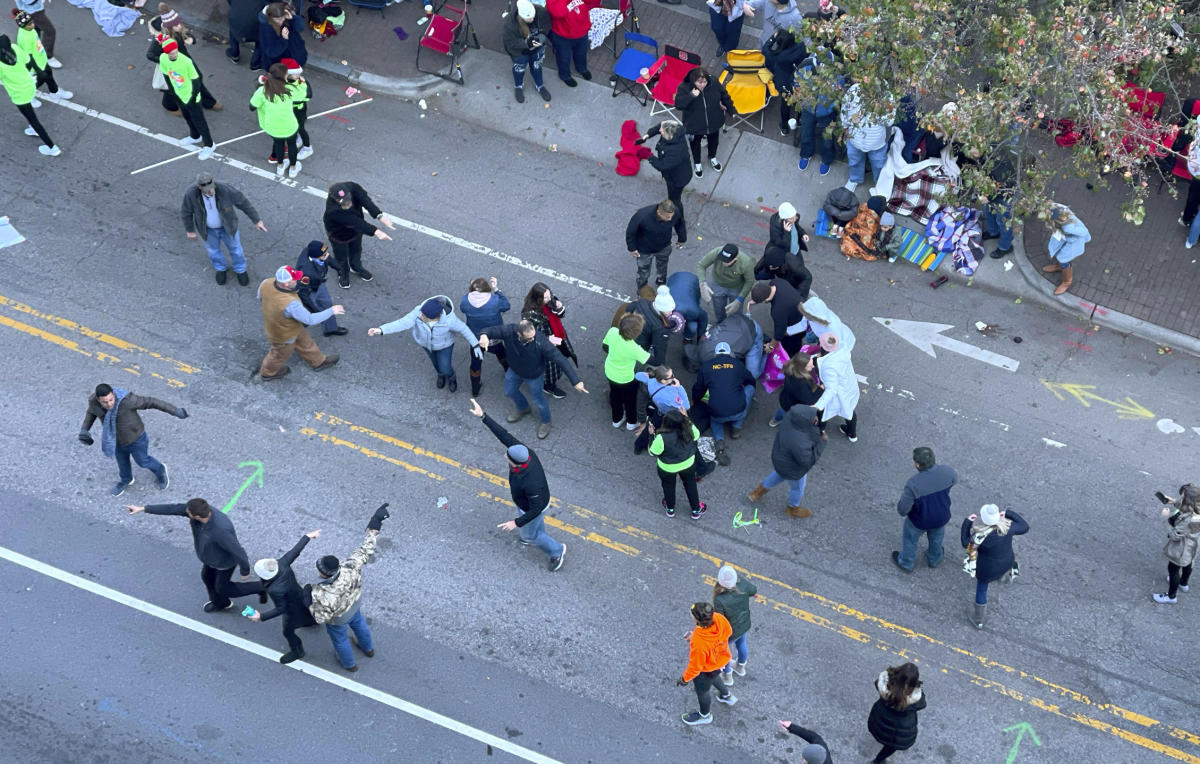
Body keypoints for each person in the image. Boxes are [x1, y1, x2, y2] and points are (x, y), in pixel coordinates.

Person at [469, 398, 566, 570]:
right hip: (528, 502)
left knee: (531, 535)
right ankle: (533, 532)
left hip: (533, 506)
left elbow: (535, 509)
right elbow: (504, 435)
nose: (505, 455)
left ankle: (557, 551)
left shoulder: (531, 482)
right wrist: (483, 416)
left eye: (507, 456)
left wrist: (516, 522)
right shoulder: (524, 452)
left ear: (515, 463)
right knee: (534, 527)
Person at [125, 498, 266, 612]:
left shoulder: (220, 530)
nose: (185, 512)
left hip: (223, 563)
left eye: (188, 512)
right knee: (206, 577)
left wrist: (245, 570)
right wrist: (144, 508)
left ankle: (262, 587)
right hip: (210, 558)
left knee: (224, 588)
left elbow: (238, 551)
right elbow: (172, 508)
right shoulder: (199, 512)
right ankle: (220, 603)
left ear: (197, 516)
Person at [307, 504, 389, 672]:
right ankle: (368, 648)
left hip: (339, 618)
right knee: (360, 624)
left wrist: (308, 600)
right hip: (355, 604)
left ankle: (349, 664)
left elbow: (320, 618)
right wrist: (376, 522)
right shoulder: (350, 567)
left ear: (322, 572)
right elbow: (366, 548)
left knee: (340, 639)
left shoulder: (321, 593)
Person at [478, 320, 587, 439]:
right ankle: (523, 408)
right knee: (509, 391)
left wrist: (575, 381)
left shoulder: (540, 341)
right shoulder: (509, 331)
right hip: (515, 370)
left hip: (534, 375)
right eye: (529, 338)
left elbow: (560, 359)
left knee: (538, 400)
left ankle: (546, 422)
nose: (533, 339)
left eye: (533, 336)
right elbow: (490, 330)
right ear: (518, 334)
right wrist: (484, 336)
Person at [79, 383, 187, 496]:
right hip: (115, 439)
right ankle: (126, 480)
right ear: (98, 399)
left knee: (143, 461)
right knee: (122, 462)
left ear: (113, 394)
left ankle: (160, 470)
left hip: (136, 438)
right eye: (104, 402)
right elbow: (91, 413)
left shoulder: (127, 401)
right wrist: (84, 429)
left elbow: (151, 402)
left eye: (111, 400)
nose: (109, 404)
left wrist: (175, 411)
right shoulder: (93, 402)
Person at [367, 296, 480, 393]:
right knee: (436, 364)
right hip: (426, 344)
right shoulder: (419, 311)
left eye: (423, 317)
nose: (420, 316)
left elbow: (464, 329)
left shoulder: (449, 321)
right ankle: (440, 375)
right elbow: (402, 322)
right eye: (421, 314)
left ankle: (451, 377)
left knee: (445, 367)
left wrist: (475, 344)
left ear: (435, 318)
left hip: (444, 346)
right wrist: (381, 330)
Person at [247, 529, 321, 664]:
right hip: (301, 596)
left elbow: (281, 608)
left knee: (287, 632)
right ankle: (314, 621)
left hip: (292, 609)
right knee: (308, 612)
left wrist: (261, 617)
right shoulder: (281, 564)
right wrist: (307, 536)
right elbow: (294, 552)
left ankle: (298, 651)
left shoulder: (276, 590)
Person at [257, 265, 342, 380]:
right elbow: (310, 319)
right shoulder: (291, 303)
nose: (297, 279)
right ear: (286, 284)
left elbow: (260, 297)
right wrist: (331, 311)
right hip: (282, 335)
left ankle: (318, 361)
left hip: (288, 326)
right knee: (278, 355)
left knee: (305, 342)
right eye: (294, 278)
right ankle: (268, 373)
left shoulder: (266, 283)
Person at [181, 173, 266, 286]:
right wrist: (190, 230)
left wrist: (256, 220)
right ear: (199, 187)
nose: (210, 191)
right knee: (213, 251)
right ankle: (220, 269)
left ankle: (240, 270)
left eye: (211, 188)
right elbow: (186, 212)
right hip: (208, 230)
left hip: (228, 227)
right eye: (206, 189)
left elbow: (243, 203)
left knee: (236, 250)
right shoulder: (191, 194)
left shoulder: (225, 189)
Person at [748, 404, 824, 517]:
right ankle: (793, 508)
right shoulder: (800, 441)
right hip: (794, 469)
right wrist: (822, 443)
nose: (816, 419)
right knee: (798, 488)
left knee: (779, 473)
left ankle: (756, 493)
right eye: (813, 417)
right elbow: (807, 461)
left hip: (781, 459)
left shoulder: (790, 420)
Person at [961, 503, 1029, 628]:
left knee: (982, 589)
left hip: (987, 569)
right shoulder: (1008, 528)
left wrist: (967, 524)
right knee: (1004, 569)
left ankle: (979, 620)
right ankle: (1005, 577)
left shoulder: (980, 536)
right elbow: (1025, 527)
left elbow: (966, 543)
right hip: (1007, 561)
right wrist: (1008, 513)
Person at [893, 447, 957, 573]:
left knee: (910, 539)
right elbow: (954, 481)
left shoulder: (913, 484)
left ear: (917, 464)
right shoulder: (948, 472)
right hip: (941, 516)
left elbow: (903, 510)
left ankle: (906, 562)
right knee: (936, 538)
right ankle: (934, 558)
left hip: (919, 520)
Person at [692, 341, 755, 466]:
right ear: (730, 353)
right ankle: (736, 427)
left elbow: (698, 389)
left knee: (715, 420)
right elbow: (750, 380)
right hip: (738, 409)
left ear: (715, 354)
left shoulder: (706, 367)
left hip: (717, 412)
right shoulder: (737, 364)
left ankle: (719, 442)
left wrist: (696, 401)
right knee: (749, 388)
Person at [322, 181, 395, 288]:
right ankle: (343, 272)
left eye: (348, 199)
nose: (347, 202)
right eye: (343, 201)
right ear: (335, 199)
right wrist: (376, 231)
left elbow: (365, 200)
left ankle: (355, 266)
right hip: (338, 234)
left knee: (356, 250)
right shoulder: (333, 210)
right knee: (341, 255)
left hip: (355, 231)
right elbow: (355, 222)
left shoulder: (352, 187)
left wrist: (379, 216)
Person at [150, 6, 220, 113]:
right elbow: (150, 55)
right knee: (173, 88)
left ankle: (208, 102)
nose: (180, 25)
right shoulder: (161, 40)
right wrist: (166, 60)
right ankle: (169, 106)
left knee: (196, 79)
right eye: (177, 24)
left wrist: (191, 39)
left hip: (186, 62)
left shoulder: (178, 31)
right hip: (173, 67)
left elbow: (188, 36)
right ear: (170, 27)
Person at [677, 602, 736, 726]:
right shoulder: (719, 618)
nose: (690, 614)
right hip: (722, 660)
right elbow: (729, 632)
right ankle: (726, 695)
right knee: (715, 677)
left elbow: (695, 666)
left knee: (703, 692)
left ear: (697, 619)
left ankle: (705, 715)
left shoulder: (699, 642)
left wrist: (684, 679)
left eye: (692, 614)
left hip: (707, 669)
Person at [0, 33, 59, 155]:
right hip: (30, 84)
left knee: (32, 119)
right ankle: (34, 129)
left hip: (19, 94)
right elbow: (28, 61)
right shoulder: (15, 48)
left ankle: (52, 147)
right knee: (32, 116)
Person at [159, 37, 215, 160]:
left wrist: (193, 97)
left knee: (200, 121)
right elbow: (167, 76)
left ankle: (209, 144)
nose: (174, 54)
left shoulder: (186, 62)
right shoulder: (163, 59)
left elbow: (196, 80)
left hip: (191, 97)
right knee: (188, 117)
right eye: (171, 53)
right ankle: (195, 136)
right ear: (166, 53)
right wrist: (173, 93)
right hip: (179, 95)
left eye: (175, 51)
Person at [675, 67, 735, 178]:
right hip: (694, 125)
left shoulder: (714, 83)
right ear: (693, 81)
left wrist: (731, 109)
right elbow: (678, 104)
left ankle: (712, 157)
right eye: (699, 82)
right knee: (695, 144)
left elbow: (724, 95)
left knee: (714, 141)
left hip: (713, 122)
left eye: (704, 82)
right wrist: (691, 96)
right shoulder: (684, 87)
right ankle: (697, 163)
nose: (702, 85)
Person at [522, 283, 578, 399]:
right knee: (549, 368)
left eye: (549, 295)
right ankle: (548, 386)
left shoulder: (550, 301)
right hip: (544, 344)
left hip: (557, 337)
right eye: (546, 298)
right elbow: (528, 334)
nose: (549, 299)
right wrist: (547, 339)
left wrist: (559, 308)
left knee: (558, 359)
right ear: (538, 299)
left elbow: (560, 314)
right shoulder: (529, 314)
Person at [649, 409, 707, 519]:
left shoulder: (661, 437)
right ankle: (696, 509)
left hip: (667, 468)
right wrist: (687, 419)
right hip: (688, 464)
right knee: (690, 485)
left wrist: (651, 435)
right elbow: (697, 435)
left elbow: (653, 452)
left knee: (668, 486)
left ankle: (670, 509)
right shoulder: (688, 429)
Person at [460, 277, 511, 396]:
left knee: (475, 362)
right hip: (493, 336)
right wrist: (496, 289)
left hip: (476, 338)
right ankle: (508, 371)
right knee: (501, 352)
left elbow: (463, 309)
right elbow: (506, 305)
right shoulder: (494, 300)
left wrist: (472, 290)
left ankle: (475, 389)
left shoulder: (466, 301)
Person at [867, 663, 926, 763]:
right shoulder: (914, 699)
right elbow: (922, 704)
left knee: (882, 735)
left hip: (881, 719)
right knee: (890, 747)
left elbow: (877, 683)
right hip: (898, 732)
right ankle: (878, 761)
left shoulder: (885, 686)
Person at [251, 63, 302, 179]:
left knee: (278, 144)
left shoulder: (263, 91)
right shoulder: (289, 89)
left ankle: (280, 166)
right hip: (289, 125)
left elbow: (252, 106)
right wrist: (302, 83)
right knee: (291, 145)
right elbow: (303, 96)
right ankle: (293, 168)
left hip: (272, 126)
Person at [794, 48, 839, 174]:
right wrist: (802, 99)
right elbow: (796, 83)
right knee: (806, 133)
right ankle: (806, 154)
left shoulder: (836, 73)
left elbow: (839, 93)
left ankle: (826, 159)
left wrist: (830, 107)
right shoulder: (805, 66)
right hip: (808, 108)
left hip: (826, 113)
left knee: (827, 139)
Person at [1153, 484, 1200, 604]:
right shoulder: (1197, 509)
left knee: (1173, 569)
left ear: (1188, 501)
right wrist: (1172, 501)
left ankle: (1171, 596)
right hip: (1193, 545)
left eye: (1183, 497)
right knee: (1189, 563)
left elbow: (1174, 535)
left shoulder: (1188, 520)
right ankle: (1183, 584)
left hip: (1181, 548)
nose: (1181, 499)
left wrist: (1165, 518)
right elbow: (1186, 508)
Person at [841, 83, 892, 191]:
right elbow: (844, 109)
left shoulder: (886, 94)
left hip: (876, 141)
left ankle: (879, 183)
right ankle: (855, 179)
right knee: (854, 160)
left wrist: (877, 109)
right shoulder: (854, 89)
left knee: (878, 164)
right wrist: (845, 126)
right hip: (854, 138)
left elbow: (889, 121)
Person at [626, 199, 687, 290]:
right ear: (659, 212)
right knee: (643, 271)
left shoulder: (675, 212)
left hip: (664, 246)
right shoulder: (642, 216)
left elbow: (680, 223)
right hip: (644, 250)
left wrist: (682, 238)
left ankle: (661, 281)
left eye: (671, 216)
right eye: (667, 217)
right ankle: (642, 290)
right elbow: (631, 232)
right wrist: (632, 248)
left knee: (662, 265)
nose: (670, 219)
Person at [603, 313, 650, 430]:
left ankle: (616, 420)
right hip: (626, 378)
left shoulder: (612, 331)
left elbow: (605, 347)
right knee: (630, 400)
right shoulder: (635, 348)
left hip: (610, 371)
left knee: (615, 395)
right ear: (636, 333)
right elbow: (650, 360)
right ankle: (631, 422)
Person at [713, 565, 756, 685]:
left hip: (730, 632)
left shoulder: (720, 599)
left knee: (725, 653)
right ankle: (740, 666)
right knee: (742, 643)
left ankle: (727, 676)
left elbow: (719, 620)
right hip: (744, 624)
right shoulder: (741, 583)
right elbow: (753, 590)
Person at [13, 10, 70, 100]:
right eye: (30, 24)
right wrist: (37, 70)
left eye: (32, 22)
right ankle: (27, 96)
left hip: (41, 60)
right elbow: (29, 57)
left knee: (49, 76)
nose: (33, 25)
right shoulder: (24, 37)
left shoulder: (30, 29)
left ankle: (54, 92)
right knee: (39, 81)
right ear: (22, 26)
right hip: (36, 65)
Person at [503, 0, 553, 103]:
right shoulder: (510, 23)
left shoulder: (540, 11)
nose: (532, 18)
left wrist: (542, 35)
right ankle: (518, 86)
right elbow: (510, 42)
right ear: (521, 16)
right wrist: (527, 43)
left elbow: (547, 23)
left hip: (537, 49)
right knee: (519, 69)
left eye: (533, 16)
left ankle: (540, 86)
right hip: (520, 52)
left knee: (536, 66)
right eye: (529, 18)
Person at [642, 120, 693, 220]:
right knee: (673, 197)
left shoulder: (676, 151)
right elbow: (661, 125)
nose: (659, 130)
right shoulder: (674, 132)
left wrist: (650, 157)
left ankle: (679, 219)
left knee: (675, 200)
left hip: (678, 179)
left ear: (668, 135)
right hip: (675, 174)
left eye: (662, 131)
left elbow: (663, 165)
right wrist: (649, 134)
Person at [295, 241, 345, 336]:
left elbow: (327, 258)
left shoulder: (315, 252)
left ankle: (330, 329)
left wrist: (338, 268)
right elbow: (303, 294)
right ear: (316, 257)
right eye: (324, 254)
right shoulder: (306, 272)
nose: (327, 255)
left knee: (327, 304)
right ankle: (292, 336)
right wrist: (316, 312)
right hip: (308, 292)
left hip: (319, 285)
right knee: (308, 316)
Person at [761, 28, 805, 136]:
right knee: (801, 101)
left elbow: (765, 48)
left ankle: (785, 127)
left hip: (784, 83)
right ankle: (799, 120)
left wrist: (773, 38)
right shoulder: (801, 48)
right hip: (799, 80)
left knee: (785, 104)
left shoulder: (775, 56)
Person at [697, 243, 756, 323]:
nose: (723, 262)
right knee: (719, 310)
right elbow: (701, 265)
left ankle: (735, 325)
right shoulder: (717, 252)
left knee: (736, 312)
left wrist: (740, 299)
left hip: (736, 288)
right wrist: (702, 283)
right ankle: (721, 324)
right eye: (722, 259)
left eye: (726, 261)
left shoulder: (745, 263)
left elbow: (750, 281)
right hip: (718, 285)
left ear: (735, 259)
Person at [749, 278, 807, 356]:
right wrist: (756, 299)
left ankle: (792, 357)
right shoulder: (777, 282)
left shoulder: (778, 310)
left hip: (797, 326)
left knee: (791, 346)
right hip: (801, 308)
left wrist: (771, 346)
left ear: (765, 300)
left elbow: (780, 333)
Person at [1042, 203, 1090, 295]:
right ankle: (1059, 267)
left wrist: (1069, 237)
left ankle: (1067, 282)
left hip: (1072, 242)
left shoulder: (1068, 227)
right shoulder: (1057, 208)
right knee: (1057, 250)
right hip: (1062, 237)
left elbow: (1083, 232)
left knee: (1064, 260)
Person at [546, 0, 591, 88]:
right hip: (563, 36)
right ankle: (565, 76)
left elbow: (590, 2)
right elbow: (559, 13)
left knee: (581, 54)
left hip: (581, 32)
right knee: (564, 58)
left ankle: (582, 68)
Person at [769, 352, 823, 426]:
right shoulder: (801, 383)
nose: (813, 366)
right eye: (810, 366)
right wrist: (821, 389)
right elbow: (810, 400)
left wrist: (816, 356)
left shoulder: (791, 368)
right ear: (802, 368)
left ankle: (775, 420)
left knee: (782, 411)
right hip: (794, 405)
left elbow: (806, 359)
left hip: (785, 399)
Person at [665, 271, 709, 359]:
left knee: (692, 327)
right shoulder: (664, 307)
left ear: (684, 320)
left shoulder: (693, 311)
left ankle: (688, 337)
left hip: (693, 282)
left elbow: (704, 318)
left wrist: (701, 336)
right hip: (674, 278)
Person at [252, 1, 307, 71]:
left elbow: (300, 28)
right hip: (280, 64)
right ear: (270, 18)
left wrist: (293, 18)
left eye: (282, 18)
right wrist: (284, 39)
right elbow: (271, 51)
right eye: (278, 19)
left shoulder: (285, 17)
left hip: (293, 57)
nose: (281, 21)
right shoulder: (266, 28)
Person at [283, 58, 314, 161]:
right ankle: (298, 138)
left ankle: (307, 147)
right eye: (295, 74)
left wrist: (292, 101)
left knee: (301, 128)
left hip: (299, 110)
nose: (298, 75)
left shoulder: (301, 82)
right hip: (289, 110)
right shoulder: (283, 82)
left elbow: (308, 95)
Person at [14, 0, 58, 68]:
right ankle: (47, 57)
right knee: (50, 32)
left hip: (33, 10)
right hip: (33, 11)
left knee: (36, 31)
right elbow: (28, 2)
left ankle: (34, 54)